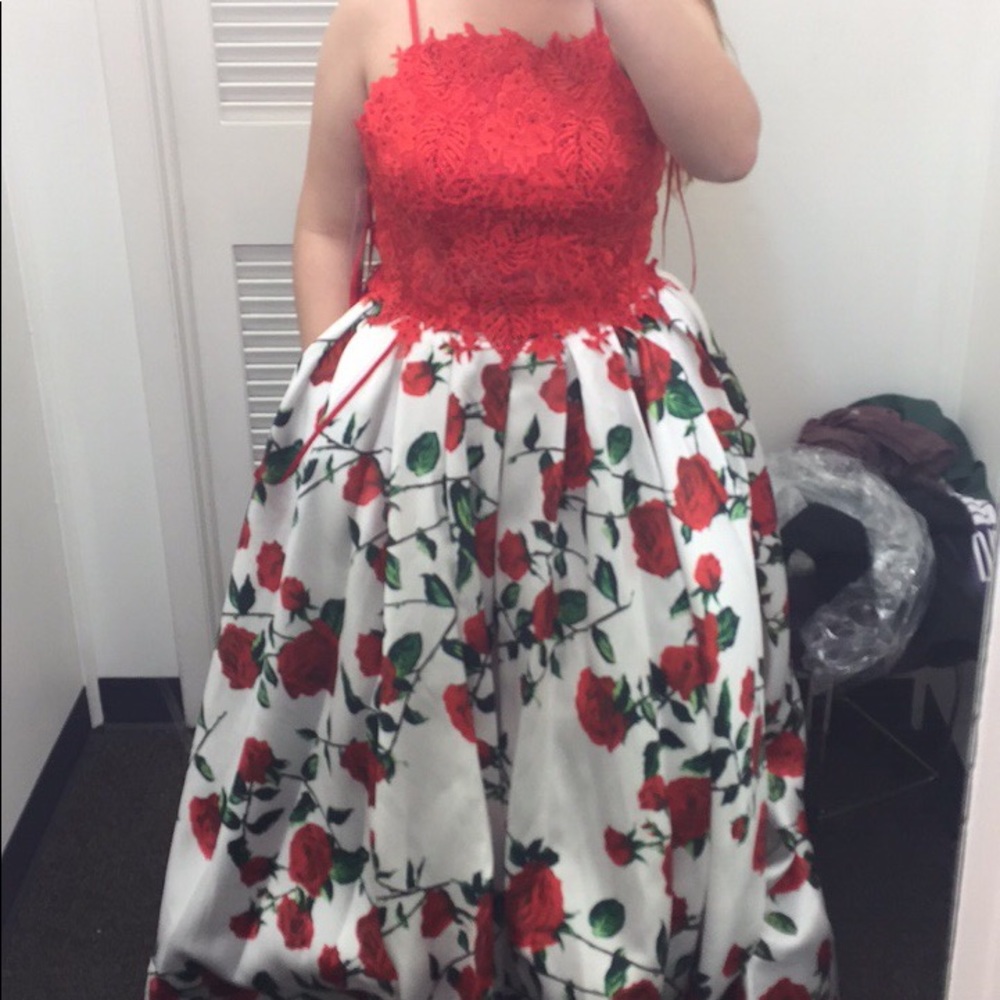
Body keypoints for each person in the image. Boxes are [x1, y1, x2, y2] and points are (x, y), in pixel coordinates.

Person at [146, 1, 836, 998]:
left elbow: (728, 150)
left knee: (608, 721)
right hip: (417, 437)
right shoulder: (374, 16)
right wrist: (335, 421)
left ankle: (602, 936)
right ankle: (415, 931)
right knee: (416, 703)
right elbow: (325, 225)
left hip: (617, 440)